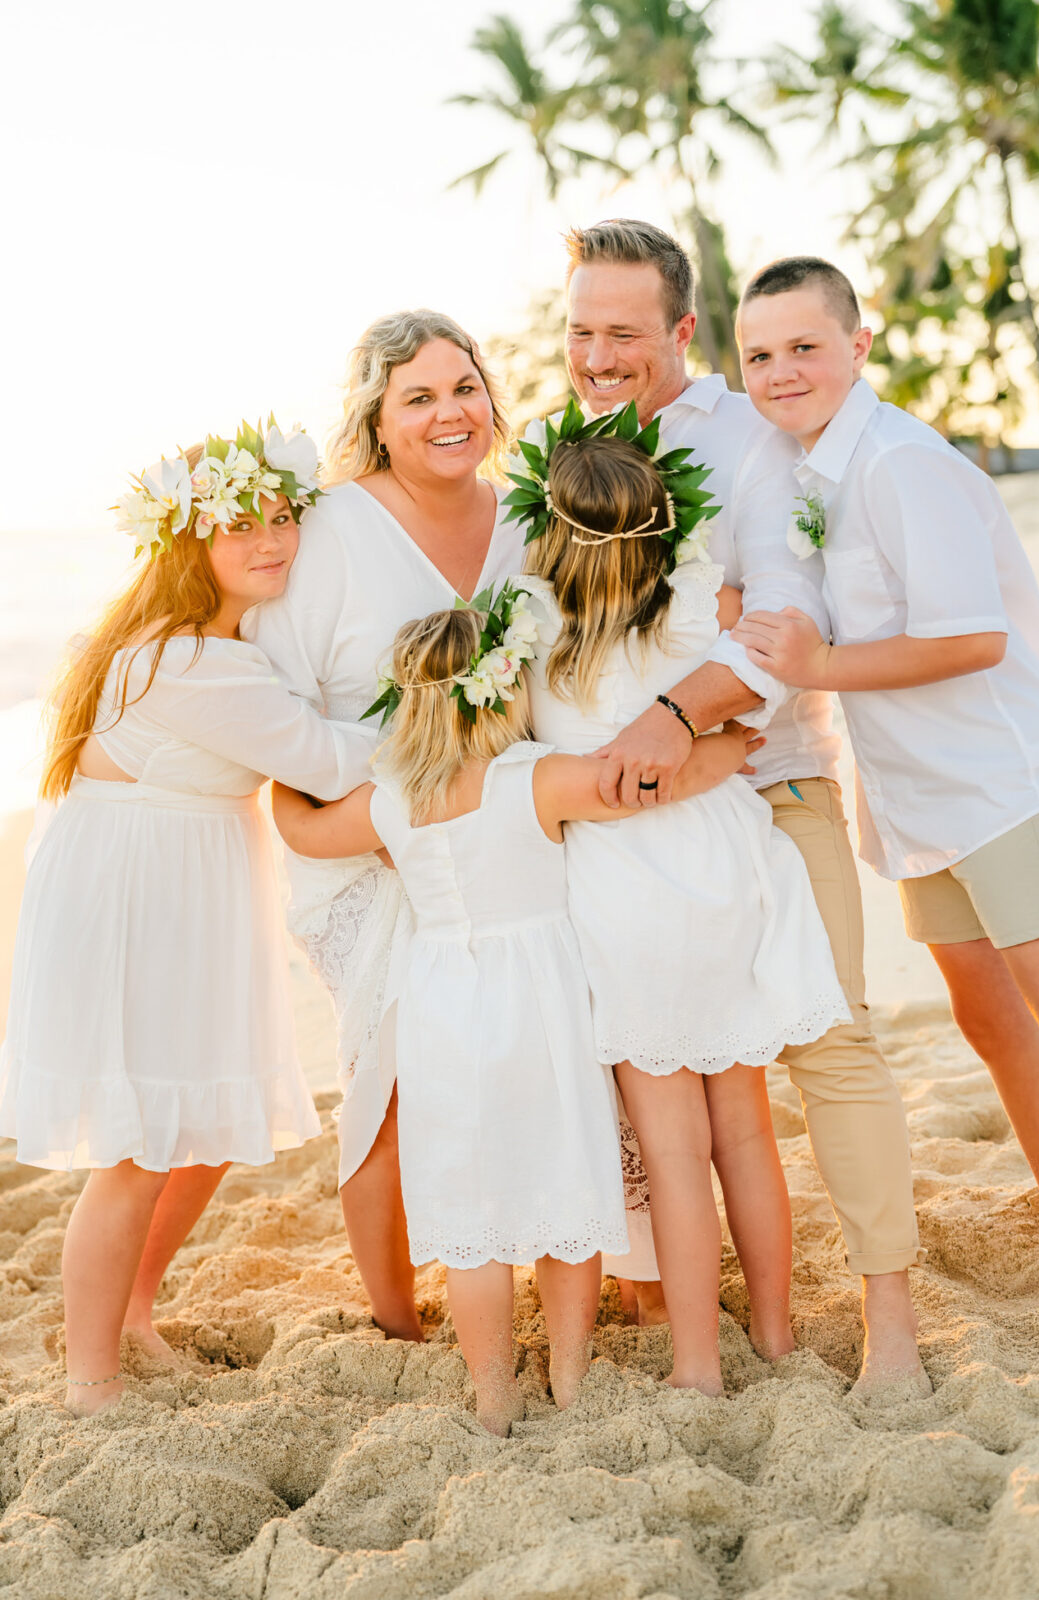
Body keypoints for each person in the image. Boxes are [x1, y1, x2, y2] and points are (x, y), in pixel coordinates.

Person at [555, 218, 925, 1393]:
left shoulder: (746, 438)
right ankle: (656, 1286)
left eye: (623, 331)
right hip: (642, 820)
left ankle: (891, 1320)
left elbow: (780, 620)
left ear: (678, 329)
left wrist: (669, 716)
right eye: (579, 332)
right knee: (668, 1070)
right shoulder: (575, 449)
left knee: (828, 1041)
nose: (599, 355)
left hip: (769, 785)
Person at [272, 594, 760, 1430]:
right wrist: (727, 744)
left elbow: (307, 836)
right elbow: (651, 781)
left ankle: (493, 1390)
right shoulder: (533, 778)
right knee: (561, 1188)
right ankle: (569, 1374)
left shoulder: (391, 799)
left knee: (471, 1201)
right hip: (539, 1001)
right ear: (503, 691)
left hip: (443, 1009)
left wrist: (278, 779)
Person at [0, 423, 374, 1414]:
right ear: (187, 545)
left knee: (202, 1124)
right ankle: (90, 1376)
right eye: (241, 525)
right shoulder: (190, 664)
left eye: (284, 517)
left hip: (186, 878)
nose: (272, 540)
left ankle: (131, 1311)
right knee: (136, 1145)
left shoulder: (219, 647)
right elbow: (332, 762)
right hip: (141, 897)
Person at [731, 255, 1039, 1283]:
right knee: (985, 1019)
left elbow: (970, 639)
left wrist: (816, 665)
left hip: (1000, 786)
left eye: (803, 347)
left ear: (856, 346)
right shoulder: (807, 470)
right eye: (758, 354)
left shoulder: (896, 462)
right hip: (916, 800)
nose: (781, 371)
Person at [506, 411, 850, 1394]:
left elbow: (561, 775)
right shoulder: (699, 608)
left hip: (625, 897)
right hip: (726, 874)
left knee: (671, 1149)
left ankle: (697, 1362)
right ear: (665, 527)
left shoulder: (540, 642)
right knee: (742, 1126)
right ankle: (776, 1332)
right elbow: (748, 703)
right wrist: (703, 752)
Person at [242, 312, 526, 1342]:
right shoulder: (333, 528)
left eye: (463, 387)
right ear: (377, 416)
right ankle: (398, 1315)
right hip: (366, 857)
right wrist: (360, 812)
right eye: (417, 396)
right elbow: (270, 698)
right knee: (393, 1080)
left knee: (518, 1053)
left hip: (500, 850)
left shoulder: (525, 518)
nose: (448, 412)